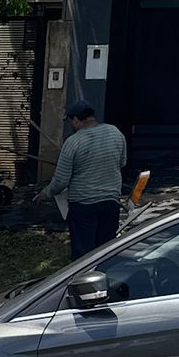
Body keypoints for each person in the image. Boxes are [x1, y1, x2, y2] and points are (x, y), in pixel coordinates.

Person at [36, 100, 128, 260]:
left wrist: (45, 193)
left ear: (76, 120)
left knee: (84, 255)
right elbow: (122, 162)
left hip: (84, 204)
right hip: (110, 202)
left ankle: (84, 275)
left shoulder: (73, 142)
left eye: (71, 121)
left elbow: (61, 180)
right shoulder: (115, 133)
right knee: (106, 251)